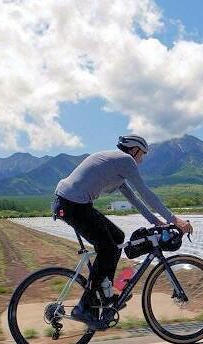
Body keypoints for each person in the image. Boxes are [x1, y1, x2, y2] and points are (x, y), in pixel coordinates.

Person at [52, 134, 193, 326]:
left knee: (117, 238)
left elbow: (134, 199)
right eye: (141, 155)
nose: (141, 160)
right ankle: (84, 307)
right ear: (134, 150)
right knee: (107, 248)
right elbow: (146, 193)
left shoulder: (116, 165)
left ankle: (105, 295)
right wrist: (174, 219)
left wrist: (156, 222)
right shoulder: (126, 161)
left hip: (72, 202)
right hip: (73, 204)